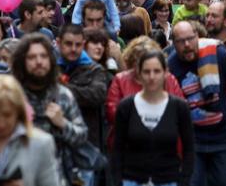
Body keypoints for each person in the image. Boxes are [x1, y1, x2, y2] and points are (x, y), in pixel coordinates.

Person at [168, 21, 226, 186]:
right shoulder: (171, 65)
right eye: (181, 41)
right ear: (173, 43)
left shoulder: (216, 53)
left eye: (190, 39)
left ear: (197, 36)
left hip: (223, 137)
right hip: (192, 141)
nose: (187, 45)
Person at [11, 33, 88, 184]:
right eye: (32, 57)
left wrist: (63, 124)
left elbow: (81, 137)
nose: (39, 62)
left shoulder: (63, 95)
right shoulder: (11, 96)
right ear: (22, 62)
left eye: (43, 56)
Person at [113, 50, 195, 186]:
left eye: (157, 71)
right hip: (132, 180)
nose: (152, 77)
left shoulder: (179, 107)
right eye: (146, 71)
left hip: (169, 180)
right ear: (139, 74)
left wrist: (184, 181)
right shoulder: (126, 107)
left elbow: (189, 148)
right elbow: (117, 149)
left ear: (165, 73)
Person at [56, 24, 108, 184]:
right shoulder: (51, 68)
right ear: (59, 43)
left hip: (84, 149)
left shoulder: (94, 70)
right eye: (68, 44)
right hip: (56, 149)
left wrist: (62, 88)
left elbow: (97, 95)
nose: (73, 49)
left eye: (78, 45)